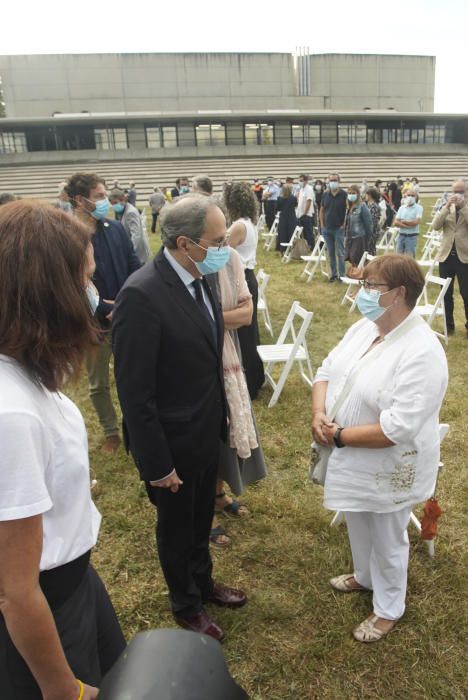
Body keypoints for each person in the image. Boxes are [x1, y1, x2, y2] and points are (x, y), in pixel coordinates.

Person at [0, 201, 126, 699]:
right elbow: (16, 591)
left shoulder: (24, 373)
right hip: (46, 607)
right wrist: (63, 688)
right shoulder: (13, 414)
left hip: (74, 583)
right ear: (46, 296)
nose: (92, 294)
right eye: (84, 280)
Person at [112, 194, 247, 643]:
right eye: (218, 239)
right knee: (176, 526)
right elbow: (135, 394)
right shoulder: (141, 294)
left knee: (200, 518)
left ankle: (203, 584)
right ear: (185, 243)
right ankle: (186, 605)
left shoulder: (200, 277)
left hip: (206, 429)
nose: (225, 247)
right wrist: (157, 464)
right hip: (171, 442)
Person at [312, 254, 448, 643]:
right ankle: (365, 576)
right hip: (352, 453)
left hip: (389, 462)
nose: (362, 292)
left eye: (371, 287)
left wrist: (337, 436)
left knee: (388, 534)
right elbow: (325, 369)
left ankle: (389, 607)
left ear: (399, 294)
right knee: (357, 515)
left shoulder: (422, 351)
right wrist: (318, 413)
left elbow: (397, 428)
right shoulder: (364, 328)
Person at [65, 173, 141, 453]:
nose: (104, 201)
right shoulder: (68, 236)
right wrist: (102, 308)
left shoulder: (115, 229)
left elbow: (134, 266)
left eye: (104, 195)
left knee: (131, 376)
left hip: (125, 318)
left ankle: (133, 427)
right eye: (98, 196)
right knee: (99, 384)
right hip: (92, 325)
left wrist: (128, 302)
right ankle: (111, 432)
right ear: (79, 200)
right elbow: (70, 283)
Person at [212, 248, 268, 542]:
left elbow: (247, 314)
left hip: (228, 353)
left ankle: (218, 493)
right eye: (216, 238)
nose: (223, 244)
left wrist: (207, 318)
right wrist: (225, 317)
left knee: (229, 425)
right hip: (200, 361)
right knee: (208, 431)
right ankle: (203, 515)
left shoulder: (231, 258)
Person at [224, 182, 265, 400]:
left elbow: (220, 249)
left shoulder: (239, 226)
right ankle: (256, 377)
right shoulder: (248, 223)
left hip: (242, 278)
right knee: (250, 332)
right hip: (247, 276)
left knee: (245, 333)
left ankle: (250, 382)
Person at [432, 179, 468, 337]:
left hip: (464, 257)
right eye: (455, 191)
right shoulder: (446, 206)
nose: (457, 194)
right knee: (445, 294)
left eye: (461, 191)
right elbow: (435, 225)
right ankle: (449, 327)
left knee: (466, 293)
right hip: (446, 257)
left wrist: (463, 207)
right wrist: (447, 207)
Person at [109, 188, 151, 264]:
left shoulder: (130, 212)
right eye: (112, 204)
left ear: (123, 200)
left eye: (115, 203)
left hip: (137, 253)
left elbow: (136, 235)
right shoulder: (121, 211)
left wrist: (128, 252)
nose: (114, 206)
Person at [320, 172, 347, 282]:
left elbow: (349, 210)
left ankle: (342, 275)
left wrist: (344, 224)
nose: (333, 182)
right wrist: (322, 225)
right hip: (327, 228)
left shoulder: (344, 195)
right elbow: (321, 210)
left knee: (340, 253)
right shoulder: (325, 195)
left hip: (339, 229)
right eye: (331, 180)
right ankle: (333, 275)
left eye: (335, 180)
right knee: (330, 253)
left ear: (339, 182)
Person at [344, 185, 372, 270]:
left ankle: (360, 274)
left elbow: (368, 223)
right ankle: (356, 273)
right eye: (349, 193)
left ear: (358, 194)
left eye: (353, 193)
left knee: (357, 258)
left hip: (359, 237)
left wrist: (368, 237)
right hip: (350, 237)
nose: (351, 195)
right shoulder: (349, 207)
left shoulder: (362, 207)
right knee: (350, 257)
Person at [394, 190, 423, 258]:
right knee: (398, 258)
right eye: (409, 195)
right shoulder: (402, 208)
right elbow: (395, 222)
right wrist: (408, 226)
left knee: (410, 258)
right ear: (405, 196)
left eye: (412, 195)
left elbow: (416, 222)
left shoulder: (419, 208)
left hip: (411, 237)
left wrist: (403, 221)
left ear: (416, 197)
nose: (410, 197)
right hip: (401, 236)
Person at [295, 174, 315, 248]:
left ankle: (311, 247)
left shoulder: (309, 189)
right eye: (299, 181)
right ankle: (305, 247)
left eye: (302, 180)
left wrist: (305, 213)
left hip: (306, 215)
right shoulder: (301, 189)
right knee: (302, 233)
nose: (300, 182)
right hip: (300, 214)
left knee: (308, 232)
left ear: (306, 181)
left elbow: (309, 201)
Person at [276, 183, 298, 252]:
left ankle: (282, 248)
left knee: (282, 233)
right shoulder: (293, 198)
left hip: (283, 217)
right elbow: (295, 205)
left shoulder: (279, 198)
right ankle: (291, 248)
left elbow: (278, 208)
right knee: (291, 233)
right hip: (291, 217)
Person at [365, 187, 382, 255]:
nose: (365, 196)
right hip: (368, 231)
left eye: (366, 195)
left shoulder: (374, 206)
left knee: (371, 251)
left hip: (372, 232)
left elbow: (373, 221)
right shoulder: (368, 205)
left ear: (370, 195)